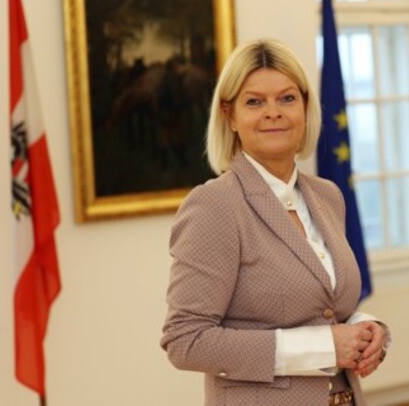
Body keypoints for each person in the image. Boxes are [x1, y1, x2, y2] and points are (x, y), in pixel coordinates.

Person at [161, 38, 388, 406]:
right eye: (254, 102)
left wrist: (367, 330)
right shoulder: (214, 205)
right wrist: (322, 347)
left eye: (287, 98)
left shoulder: (327, 196)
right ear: (229, 115)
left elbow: (326, 308)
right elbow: (186, 340)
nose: (273, 112)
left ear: (305, 107)